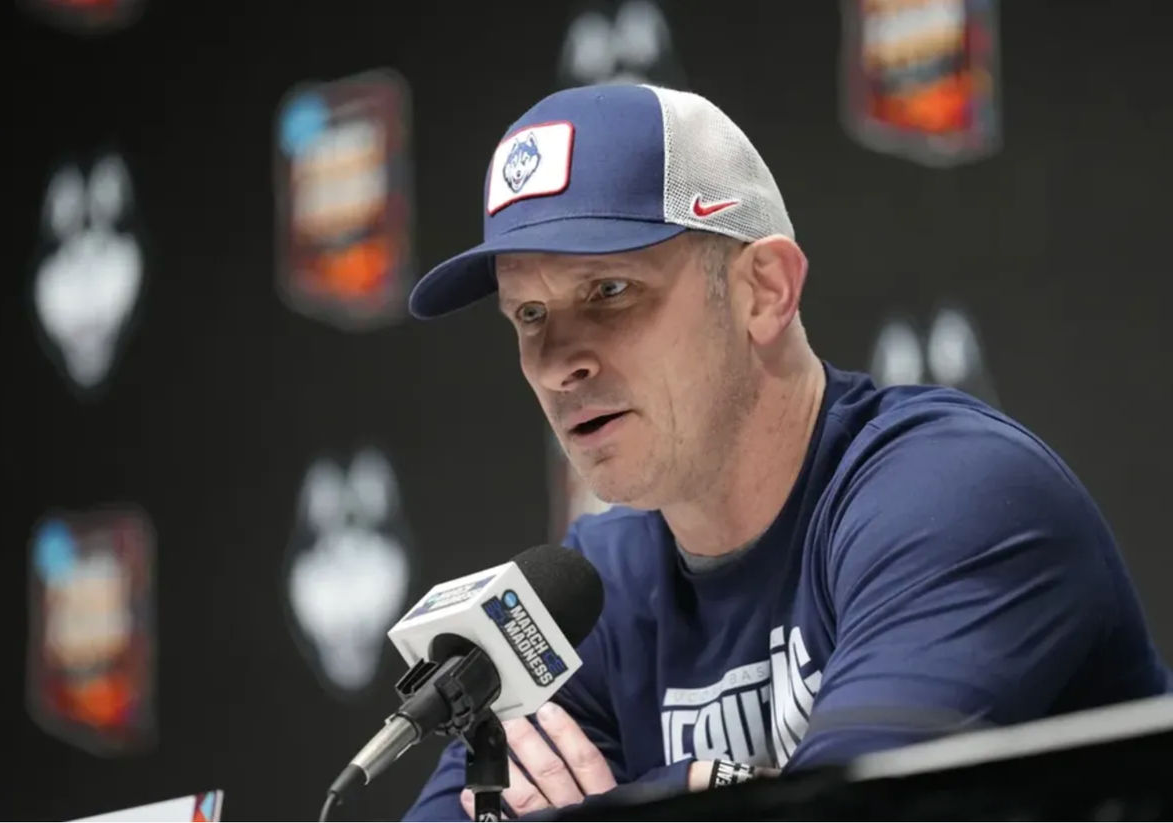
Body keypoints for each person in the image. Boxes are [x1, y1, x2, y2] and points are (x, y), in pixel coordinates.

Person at [401, 84, 1170, 820]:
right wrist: (696, 789)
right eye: (529, 313)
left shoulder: (956, 498)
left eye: (609, 290)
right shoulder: (602, 590)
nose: (557, 361)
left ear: (764, 290)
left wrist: (642, 801)